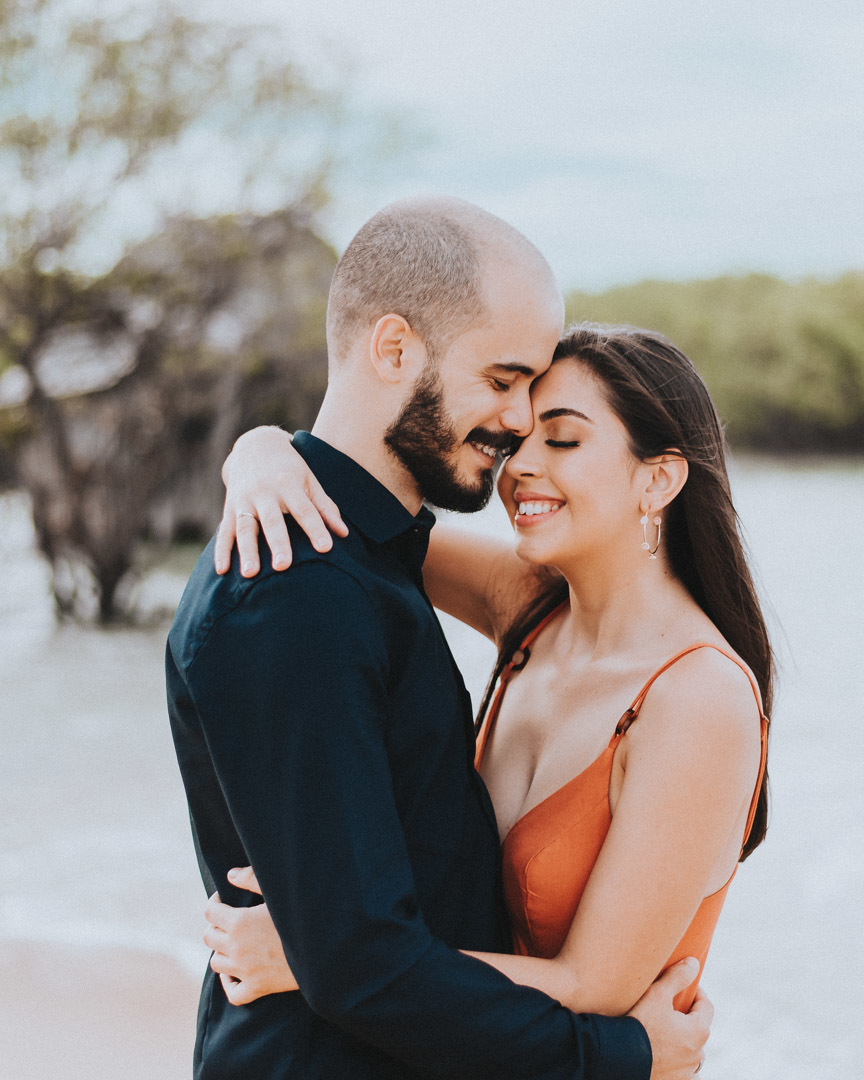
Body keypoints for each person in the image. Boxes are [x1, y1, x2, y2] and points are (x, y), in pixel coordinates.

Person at [168, 198, 710, 1080]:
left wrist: (263, 447)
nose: (516, 433)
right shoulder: (292, 593)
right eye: (502, 383)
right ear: (393, 349)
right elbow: (364, 967)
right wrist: (621, 1057)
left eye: (540, 405)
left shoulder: (377, 556)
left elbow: (359, 948)